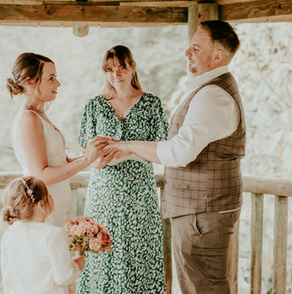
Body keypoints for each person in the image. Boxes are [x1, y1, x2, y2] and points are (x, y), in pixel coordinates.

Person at [105, 21, 246, 293]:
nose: (187, 53)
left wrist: (129, 145)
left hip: (203, 212)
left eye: (195, 48)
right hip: (199, 210)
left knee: (203, 287)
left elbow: (179, 152)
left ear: (217, 56)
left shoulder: (213, 95)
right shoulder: (208, 89)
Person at [76, 45, 169, 294]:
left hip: (139, 193)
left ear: (132, 67)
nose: (115, 74)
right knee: (101, 254)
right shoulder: (95, 106)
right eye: (109, 69)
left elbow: (162, 149)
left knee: (139, 254)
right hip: (103, 193)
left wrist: (131, 149)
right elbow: (88, 155)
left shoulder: (151, 104)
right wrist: (99, 159)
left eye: (121, 67)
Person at [6, 52, 106, 226]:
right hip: (43, 212)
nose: (58, 83)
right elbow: (40, 175)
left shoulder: (39, 114)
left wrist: (91, 156)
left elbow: (60, 160)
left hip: (56, 208)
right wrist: (87, 159)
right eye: (51, 78)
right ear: (30, 82)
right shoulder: (28, 119)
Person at [1, 176, 85, 294]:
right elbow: (63, 277)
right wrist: (77, 266)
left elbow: (7, 274)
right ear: (41, 205)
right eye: (49, 194)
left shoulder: (9, 233)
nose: (51, 197)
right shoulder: (53, 235)